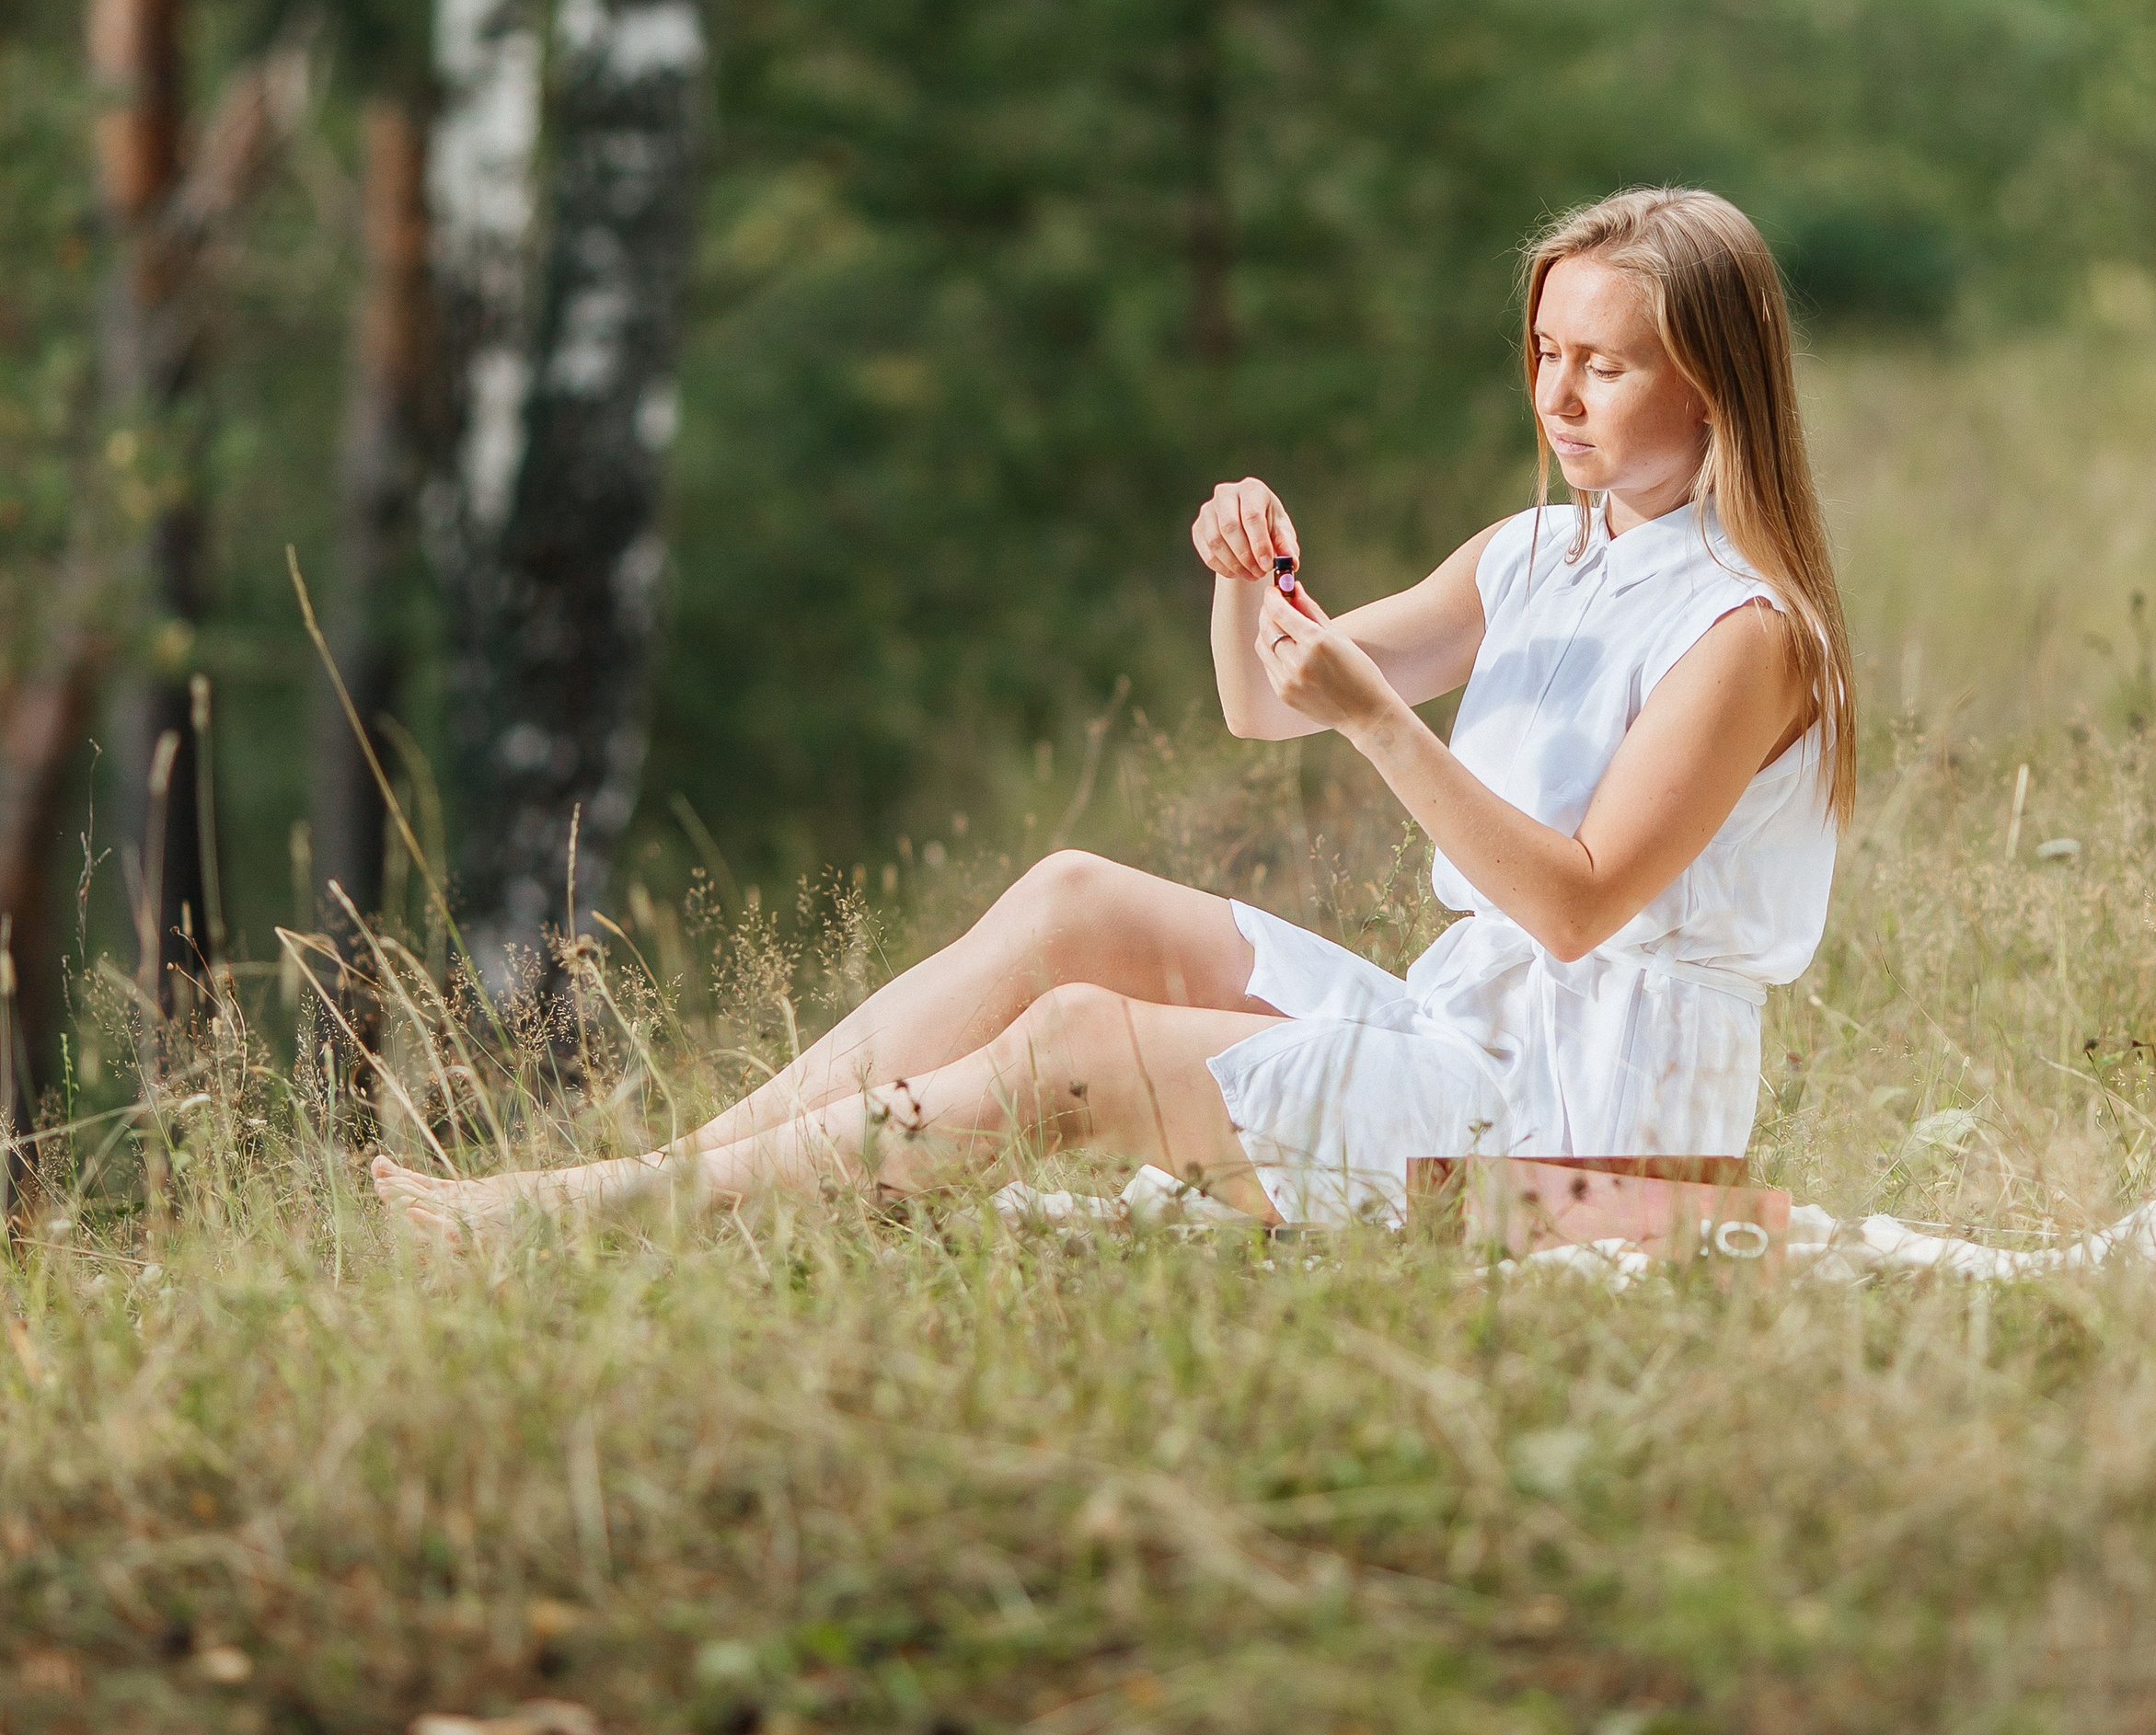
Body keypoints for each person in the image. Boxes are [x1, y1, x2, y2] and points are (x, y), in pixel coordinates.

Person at [373, 185, 1853, 1244]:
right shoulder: (1531, 553)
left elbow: (1582, 906)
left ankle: (589, 1221)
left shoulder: (1747, 630)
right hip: (1464, 1036)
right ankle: (670, 1176)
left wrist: (1381, 729)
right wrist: (1246, 577)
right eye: (1546, 352)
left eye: (1607, 362)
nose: (1561, 393)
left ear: (1714, 380)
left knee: (1082, 1038)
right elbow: (1262, 703)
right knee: (1073, 894)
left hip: (1599, 1151)